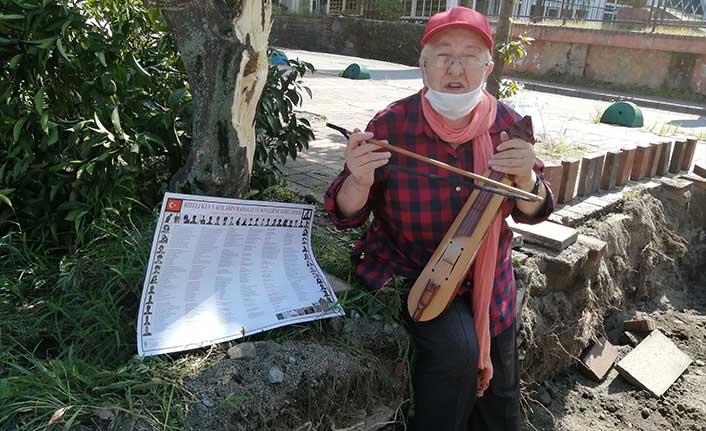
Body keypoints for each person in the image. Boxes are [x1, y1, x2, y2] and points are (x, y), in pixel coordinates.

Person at [323, 7, 555, 431]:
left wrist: (526, 177)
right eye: (443, 54)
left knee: (502, 407)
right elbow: (344, 214)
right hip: (411, 272)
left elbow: (536, 210)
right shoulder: (393, 123)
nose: (455, 67)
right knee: (457, 354)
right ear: (423, 65)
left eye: (469, 55)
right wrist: (358, 178)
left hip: (487, 281)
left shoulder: (506, 125)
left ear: (487, 66)